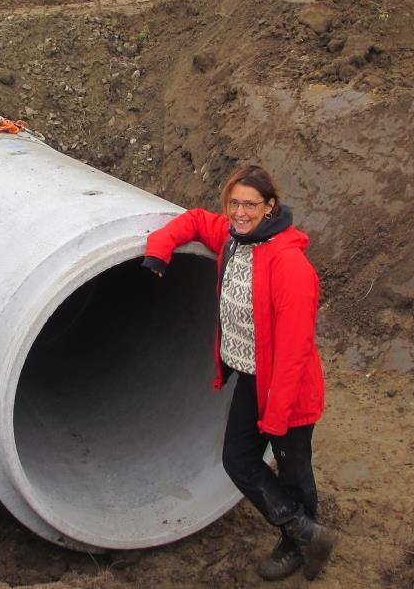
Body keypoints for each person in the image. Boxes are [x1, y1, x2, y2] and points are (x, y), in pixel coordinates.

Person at [143, 165, 334, 582]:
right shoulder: (233, 238)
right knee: (238, 459)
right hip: (252, 378)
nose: (240, 212)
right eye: (234, 203)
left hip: (287, 390)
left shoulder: (291, 268)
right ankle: (305, 532)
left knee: (295, 467)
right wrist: (159, 248)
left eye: (250, 204)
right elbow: (195, 219)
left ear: (271, 207)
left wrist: (278, 416)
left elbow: (293, 352)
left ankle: (296, 543)